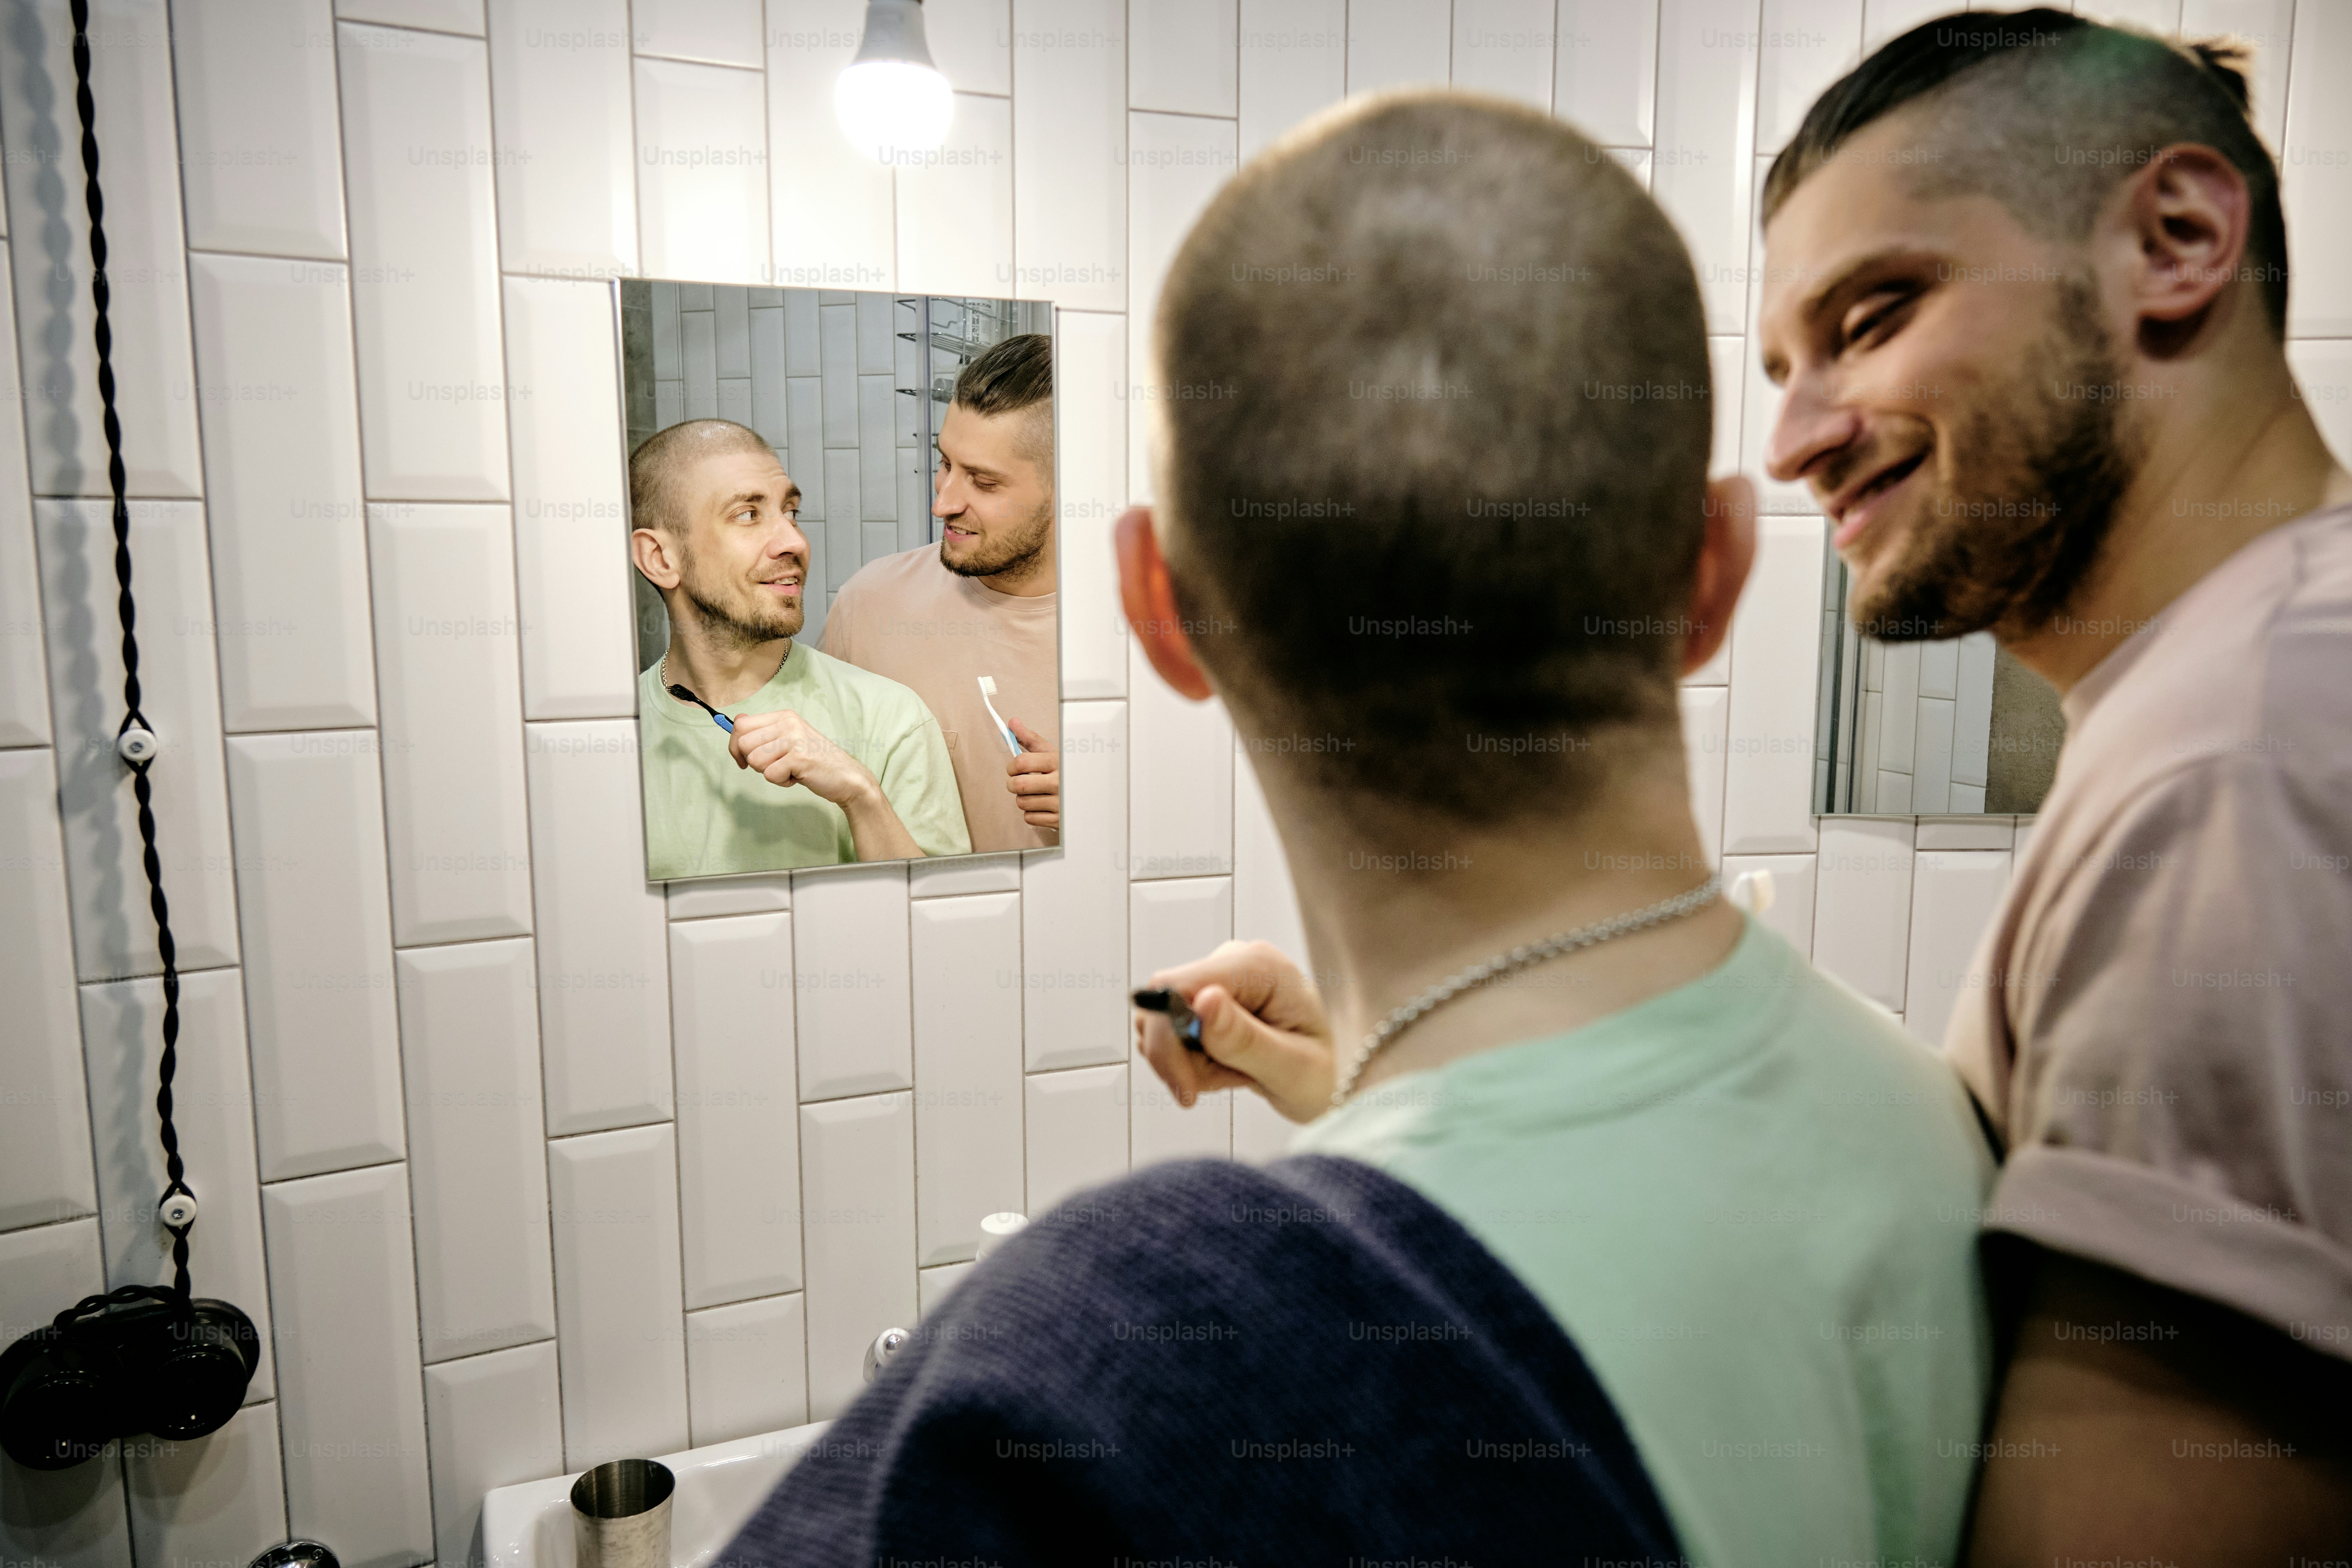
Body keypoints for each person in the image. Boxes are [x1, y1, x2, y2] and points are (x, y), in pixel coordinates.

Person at [1122, 90, 1994, 1568]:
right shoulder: (1940, 1134)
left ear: (1165, 612)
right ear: (1714, 572)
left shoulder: (1177, 1381)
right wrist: (1364, 1099)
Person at [1755, 9, 2352, 1559]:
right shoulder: (2251, 676)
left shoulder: (2234, 758)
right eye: (1784, 365)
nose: (1793, 439)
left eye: (1874, 315)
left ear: (2176, 240)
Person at [628, 419, 969, 877]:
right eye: (748, 514)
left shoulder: (891, 720)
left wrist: (860, 795)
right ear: (661, 559)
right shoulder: (611, 738)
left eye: (791, 511)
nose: (795, 541)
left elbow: (943, 928)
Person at [822, 332, 1062, 851]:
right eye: (946, 463)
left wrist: (1115, 803)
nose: (944, 503)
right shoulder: (869, 605)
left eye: (984, 482)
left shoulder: (1149, 638)